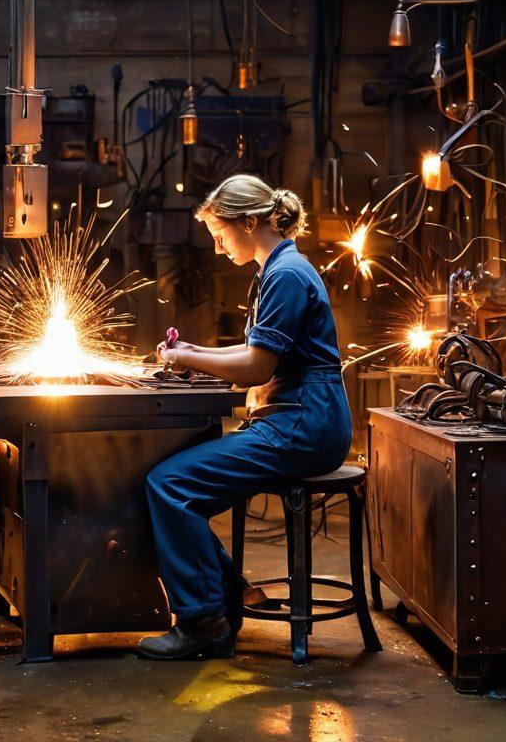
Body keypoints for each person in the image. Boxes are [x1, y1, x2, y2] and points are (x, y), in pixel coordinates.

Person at [137, 174, 352, 660]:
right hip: (296, 417)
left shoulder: (287, 275)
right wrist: (194, 350)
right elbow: (257, 350)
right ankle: (224, 596)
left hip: (304, 423)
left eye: (219, 235)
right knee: (174, 484)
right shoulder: (276, 270)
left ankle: (203, 622)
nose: (216, 249)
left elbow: (257, 366)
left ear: (250, 222)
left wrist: (186, 360)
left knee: (169, 485)